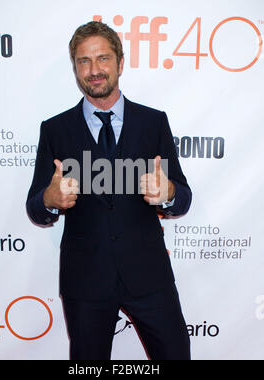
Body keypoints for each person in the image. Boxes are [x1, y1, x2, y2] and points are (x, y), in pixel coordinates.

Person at [27, 21, 192, 360]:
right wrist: (49, 200)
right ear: (75, 67)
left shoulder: (153, 122)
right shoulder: (55, 129)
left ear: (120, 62)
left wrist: (169, 192)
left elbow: (183, 198)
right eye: (84, 61)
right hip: (85, 279)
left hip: (149, 274)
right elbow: (35, 206)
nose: (94, 70)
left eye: (102, 58)